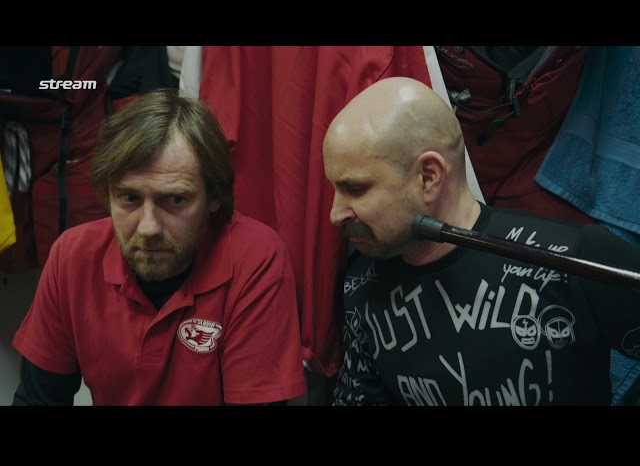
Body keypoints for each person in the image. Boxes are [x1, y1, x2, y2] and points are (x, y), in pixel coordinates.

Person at [322, 76, 640, 406]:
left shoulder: (575, 258)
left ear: (429, 177)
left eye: (356, 189)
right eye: (334, 188)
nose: (335, 213)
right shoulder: (362, 281)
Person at [11, 88, 307, 406]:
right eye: (129, 198)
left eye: (175, 200)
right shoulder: (73, 256)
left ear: (215, 197)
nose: (148, 227)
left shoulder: (256, 258)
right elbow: (37, 400)